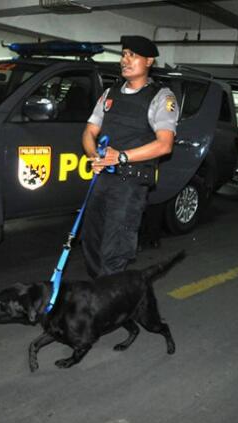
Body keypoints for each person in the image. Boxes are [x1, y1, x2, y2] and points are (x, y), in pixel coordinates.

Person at [80, 35, 179, 278]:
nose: (125, 60)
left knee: (115, 249)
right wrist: (95, 156)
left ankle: (110, 296)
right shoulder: (110, 93)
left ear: (149, 61)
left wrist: (121, 157)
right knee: (91, 241)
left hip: (130, 184)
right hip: (103, 179)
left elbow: (165, 144)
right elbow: (89, 131)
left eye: (132, 55)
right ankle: (100, 291)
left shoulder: (161, 97)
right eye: (123, 54)